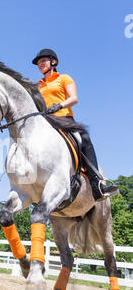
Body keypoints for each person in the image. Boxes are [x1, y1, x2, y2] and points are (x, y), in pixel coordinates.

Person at [32, 48, 119, 201]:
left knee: (84, 138)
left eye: (43, 61)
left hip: (64, 119)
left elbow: (74, 98)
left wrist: (59, 106)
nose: (40, 64)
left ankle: (97, 184)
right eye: (38, 63)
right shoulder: (37, 86)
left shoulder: (64, 78)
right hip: (45, 123)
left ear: (53, 62)